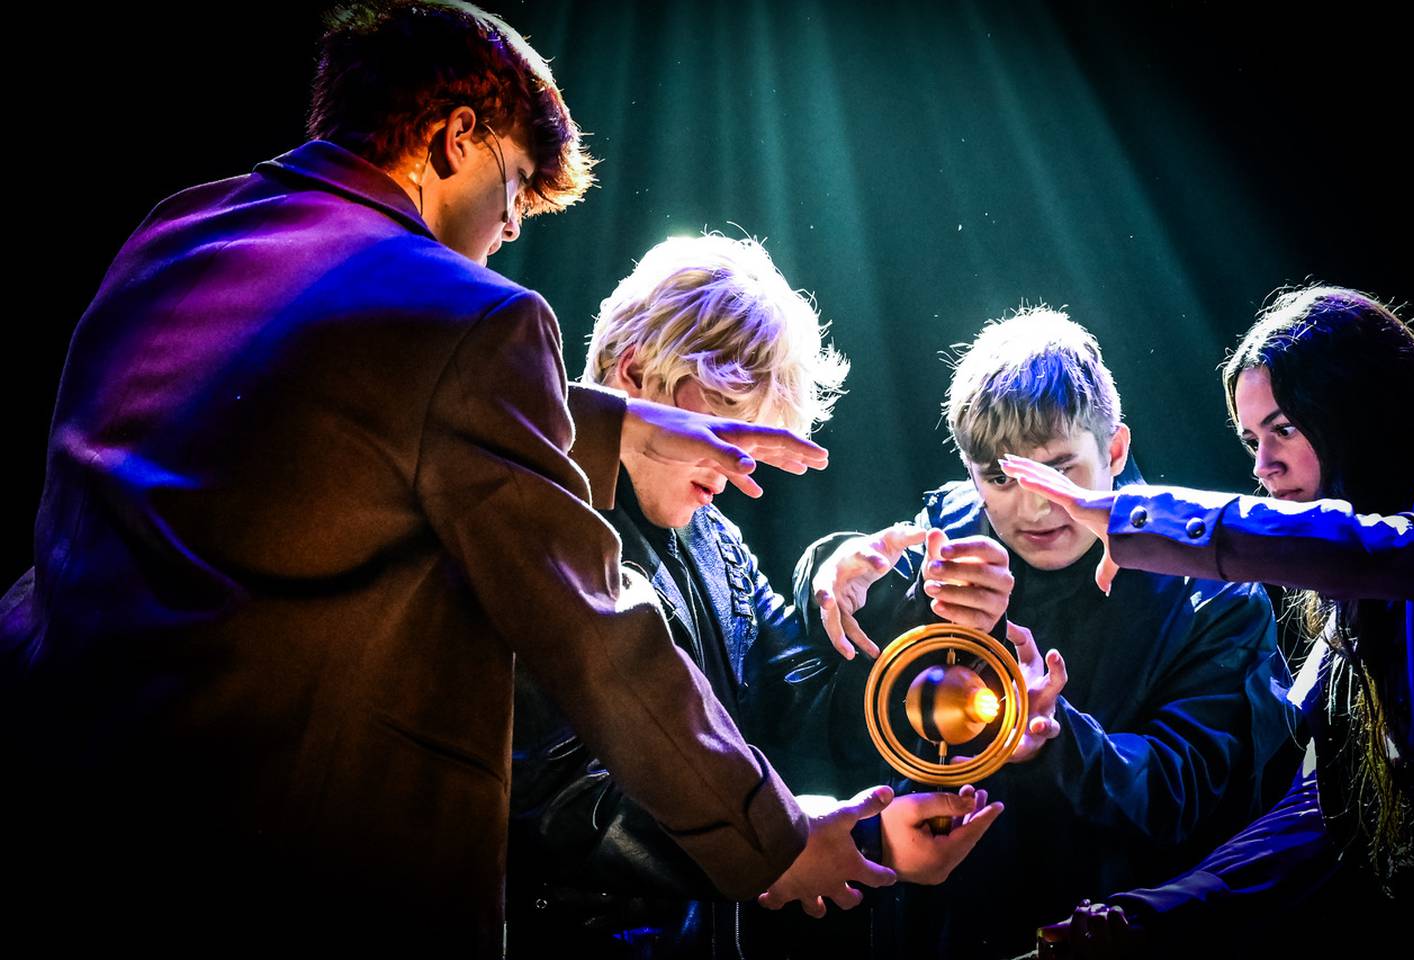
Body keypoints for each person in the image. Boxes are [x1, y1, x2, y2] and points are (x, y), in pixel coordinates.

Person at [0, 4, 863, 953]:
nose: (510, 230)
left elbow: (338, 392)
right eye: (516, 188)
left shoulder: (180, 227)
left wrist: (617, 423)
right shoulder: (476, 317)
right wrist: (773, 843)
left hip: (74, 802)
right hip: (284, 871)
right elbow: (597, 638)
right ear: (458, 137)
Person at [506, 233, 1004, 958]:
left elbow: (801, 720)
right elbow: (559, 804)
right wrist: (802, 845)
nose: (740, 467)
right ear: (633, 373)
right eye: (726, 422)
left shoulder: (714, 539)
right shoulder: (540, 520)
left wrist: (918, 613)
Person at [759, 307, 1293, 958]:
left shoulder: (1214, 592)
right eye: (1000, 478)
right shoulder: (949, 533)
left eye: (1060, 470)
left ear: (1115, 450)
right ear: (970, 470)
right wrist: (832, 568)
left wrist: (1055, 737)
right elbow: (829, 673)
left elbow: (1194, 800)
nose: (1034, 507)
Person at [1003, 286, 1414, 957]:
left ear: (1363, 412)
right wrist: (1137, 922)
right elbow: (1324, 819)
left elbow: (1370, 550)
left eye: (1285, 429)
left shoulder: (1404, 549)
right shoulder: (1350, 616)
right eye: (1251, 439)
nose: (1263, 466)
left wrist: (1132, 520)